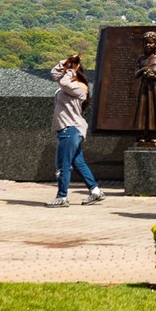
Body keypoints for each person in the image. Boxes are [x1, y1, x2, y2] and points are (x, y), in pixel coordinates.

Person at [48, 54, 105, 207]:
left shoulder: (80, 87)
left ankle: (62, 197)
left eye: (70, 69)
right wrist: (66, 62)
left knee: (63, 164)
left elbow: (64, 82)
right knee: (78, 163)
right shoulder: (70, 83)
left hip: (70, 129)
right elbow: (54, 74)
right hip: (68, 129)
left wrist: (72, 69)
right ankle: (95, 191)